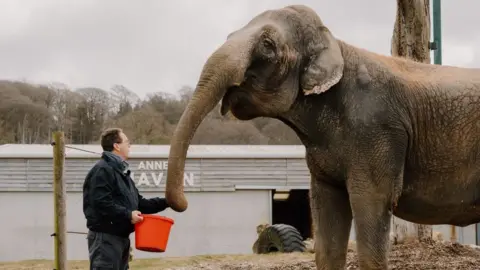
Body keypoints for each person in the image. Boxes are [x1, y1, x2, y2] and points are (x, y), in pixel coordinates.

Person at [83, 128, 169, 270]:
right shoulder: (103, 170)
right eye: (127, 142)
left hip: (120, 239)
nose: (130, 146)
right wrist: (128, 215)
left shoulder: (122, 174)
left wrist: (167, 202)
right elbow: (101, 202)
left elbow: (139, 204)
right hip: (106, 239)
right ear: (116, 146)